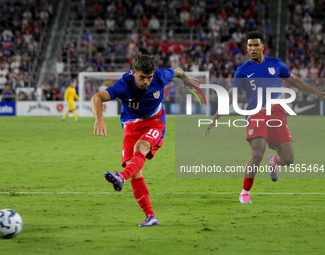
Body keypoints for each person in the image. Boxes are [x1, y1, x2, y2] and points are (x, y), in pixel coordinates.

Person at [204, 31, 325, 204]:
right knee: (257, 153)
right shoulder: (243, 70)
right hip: (255, 113)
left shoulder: (276, 64)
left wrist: (316, 92)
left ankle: (274, 160)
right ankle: (245, 192)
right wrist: (216, 117)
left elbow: (296, 81)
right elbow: (231, 95)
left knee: (289, 159)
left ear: (262, 47)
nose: (252, 48)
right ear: (247, 49)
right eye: (249, 46)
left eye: (255, 45)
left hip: (276, 112)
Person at [91, 54, 199, 227]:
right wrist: (99, 119)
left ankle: (120, 177)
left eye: (149, 78)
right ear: (133, 72)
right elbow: (97, 98)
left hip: (154, 122)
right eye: (142, 78)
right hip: (131, 127)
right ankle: (151, 216)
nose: (146, 82)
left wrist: (186, 79)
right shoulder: (124, 84)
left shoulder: (160, 76)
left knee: (141, 148)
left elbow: (177, 71)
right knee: (135, 171)